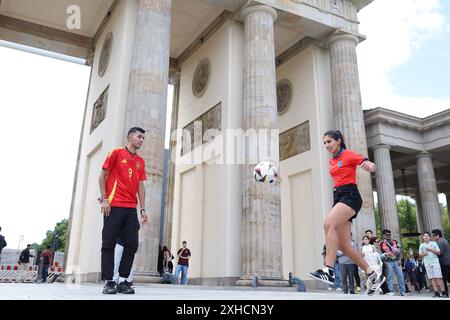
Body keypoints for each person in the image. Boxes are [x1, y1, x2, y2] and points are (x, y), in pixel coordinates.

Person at [308, 130, 385, 295]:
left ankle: (328, 270)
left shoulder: (348, 155)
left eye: (329, 142)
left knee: (328, 223)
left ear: (338, 141)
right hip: (339, 196)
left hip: (350, 196)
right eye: (325, 143)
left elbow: (366, 162)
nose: (327, 145)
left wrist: (370, 166)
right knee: (344, 245)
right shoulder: (332, 161)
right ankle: (372, 273)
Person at [98, 127, 149, 294]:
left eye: (143, 138)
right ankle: (109, 282)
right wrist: (104, 199)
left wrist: (142, 208)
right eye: (139, 136)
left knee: (132, 244)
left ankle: (123, 281)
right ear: (130, 137)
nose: (141, 140)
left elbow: (141, 186)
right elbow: (102, 176)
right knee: (109, 244)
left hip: (130, 208)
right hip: (113, 206)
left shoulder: (141, 161)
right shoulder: (116, 153)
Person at [419, 232, 447, 298]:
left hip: (435, 262)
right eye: (424, 236)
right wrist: (424, 254)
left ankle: (443, 292)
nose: (425, 237)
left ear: (430, 237)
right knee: (432, 278)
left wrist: (430, 249)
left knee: (438, 277)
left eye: (427, 236)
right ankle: (436, 292)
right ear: (423, 237)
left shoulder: (434, 243)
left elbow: (439, 252)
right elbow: (420, 255)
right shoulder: (421, 245)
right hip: (427, 263)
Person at [379, 229, 406, 296]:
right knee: (390, 277)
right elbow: (381, 254)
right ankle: (390, 291)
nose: (388, 236)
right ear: (383, 235)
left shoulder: (395, 242)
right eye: (386, 234)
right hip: (388, 262)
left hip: (397, 261)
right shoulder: (381, 243)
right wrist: (384, 262)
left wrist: (400, 260)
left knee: (400, 276)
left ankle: (402, 291)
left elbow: (400, 251)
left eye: (389, 234)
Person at [432, 229, 450, 296]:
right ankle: (445, 293)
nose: (433, 237)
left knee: (443, 279)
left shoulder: (440, 242)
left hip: (444, 263)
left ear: (438, 235)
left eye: (434, 235)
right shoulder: (444, 241)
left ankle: (445, 293)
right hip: (447, 262)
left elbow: (439, 253)